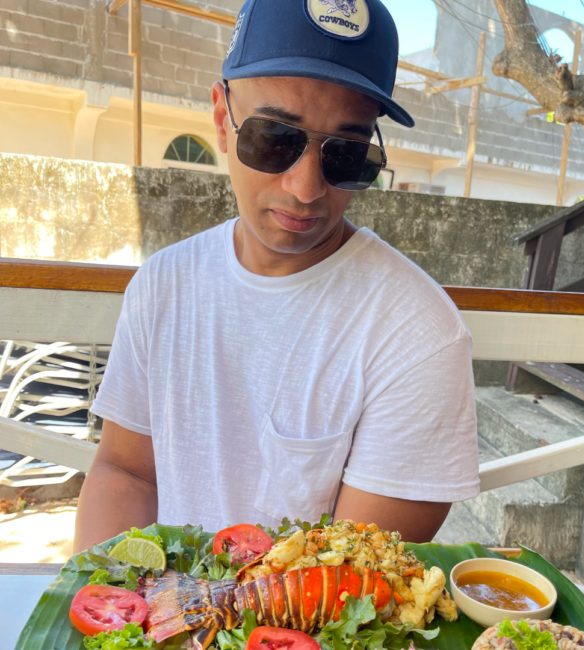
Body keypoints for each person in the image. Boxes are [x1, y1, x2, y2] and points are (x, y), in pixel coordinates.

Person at [74, 0, 479, 553]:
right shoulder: (162, 284)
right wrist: (103, 608)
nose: (306, 187)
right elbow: (127, 473)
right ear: (222, 118)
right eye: (275, 139)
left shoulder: (417, 334)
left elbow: (349, 580)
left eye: (346, 154)